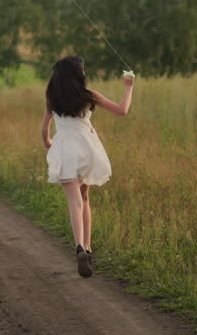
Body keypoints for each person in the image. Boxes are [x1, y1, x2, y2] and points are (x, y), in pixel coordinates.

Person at [40, 56, 135, 277]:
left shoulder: (52, 98)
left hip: (65, 150)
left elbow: (44, 130)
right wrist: (128, 87)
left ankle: (79, 247)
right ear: (79, 75)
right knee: (84, 197)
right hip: (87, 149)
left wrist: (48, 144)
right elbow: (122, 110)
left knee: (74, 201)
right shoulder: (89, 96)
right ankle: (89, 249)